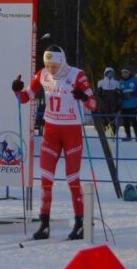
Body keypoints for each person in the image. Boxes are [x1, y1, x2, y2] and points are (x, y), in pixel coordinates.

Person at [12, 45, 96, 240]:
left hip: (72, 130)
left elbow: (93, 104)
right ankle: (44, 224)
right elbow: (24, 98)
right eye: (48, 65)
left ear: (63, 62)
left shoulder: (77, 75)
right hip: (51, 130)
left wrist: (83, 96)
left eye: (55, 66)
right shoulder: (42, 75)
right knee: (46, 177)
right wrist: (16, 90)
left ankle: (80, 222)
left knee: (72, 177)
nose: (51, 69)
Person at [95, 67, 121, 136]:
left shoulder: (116, 83)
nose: (110, 74)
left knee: (112, 120)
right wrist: (100, 92)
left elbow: (118, 96)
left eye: (111, 73)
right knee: (103, 120)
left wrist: (118, 104)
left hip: (113, 105)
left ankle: (112, 134)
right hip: (103, 105)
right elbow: (98, 95)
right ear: (105, 74)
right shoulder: (101, 82)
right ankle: (103, 134)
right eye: (108, 73)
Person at [118, 67, 137, 141]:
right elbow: (117, 93)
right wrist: (121, 96)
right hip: (124, 106)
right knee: (125, 122)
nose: (124, 74)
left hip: (133, 105)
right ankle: (128, 135)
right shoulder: (120, 82)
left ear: (129, 73)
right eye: (123, 73)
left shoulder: (135, 80)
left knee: (134, 121)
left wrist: (133, 94)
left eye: (126, 72)